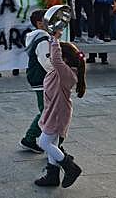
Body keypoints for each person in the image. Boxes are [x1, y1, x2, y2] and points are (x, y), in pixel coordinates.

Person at [34, 31, 86, 188]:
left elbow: (56, 59)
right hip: (54, 111)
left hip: (58, 113)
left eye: (54, 55)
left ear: (65, 60)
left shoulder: (66, 73)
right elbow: (55, 57)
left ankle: (71, 167)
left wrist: (54, 39)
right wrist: (53, 41)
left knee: (43, 143)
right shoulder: (59, 71)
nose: (50, 57)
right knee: (53, 143)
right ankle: (52, 176)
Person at [20, 9, 52, 154]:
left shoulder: (42, 38)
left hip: (40, 78)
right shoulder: (42, 40)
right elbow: (46, 62)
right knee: (47, 111)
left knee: (47, 110)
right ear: (40, 24)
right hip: (42, 79)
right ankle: (30, 138)